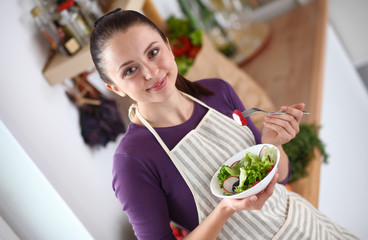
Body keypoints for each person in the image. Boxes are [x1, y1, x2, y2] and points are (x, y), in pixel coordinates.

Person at [90, 9, 358, 240]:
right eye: (129, 70)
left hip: (309, 227)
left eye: (153, 52)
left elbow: (282, 177)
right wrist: (225, 209)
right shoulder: (132, 160)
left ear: (169, 48)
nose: (150, 72)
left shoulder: (217, 92)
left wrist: (272, 144)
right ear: (115, 88)